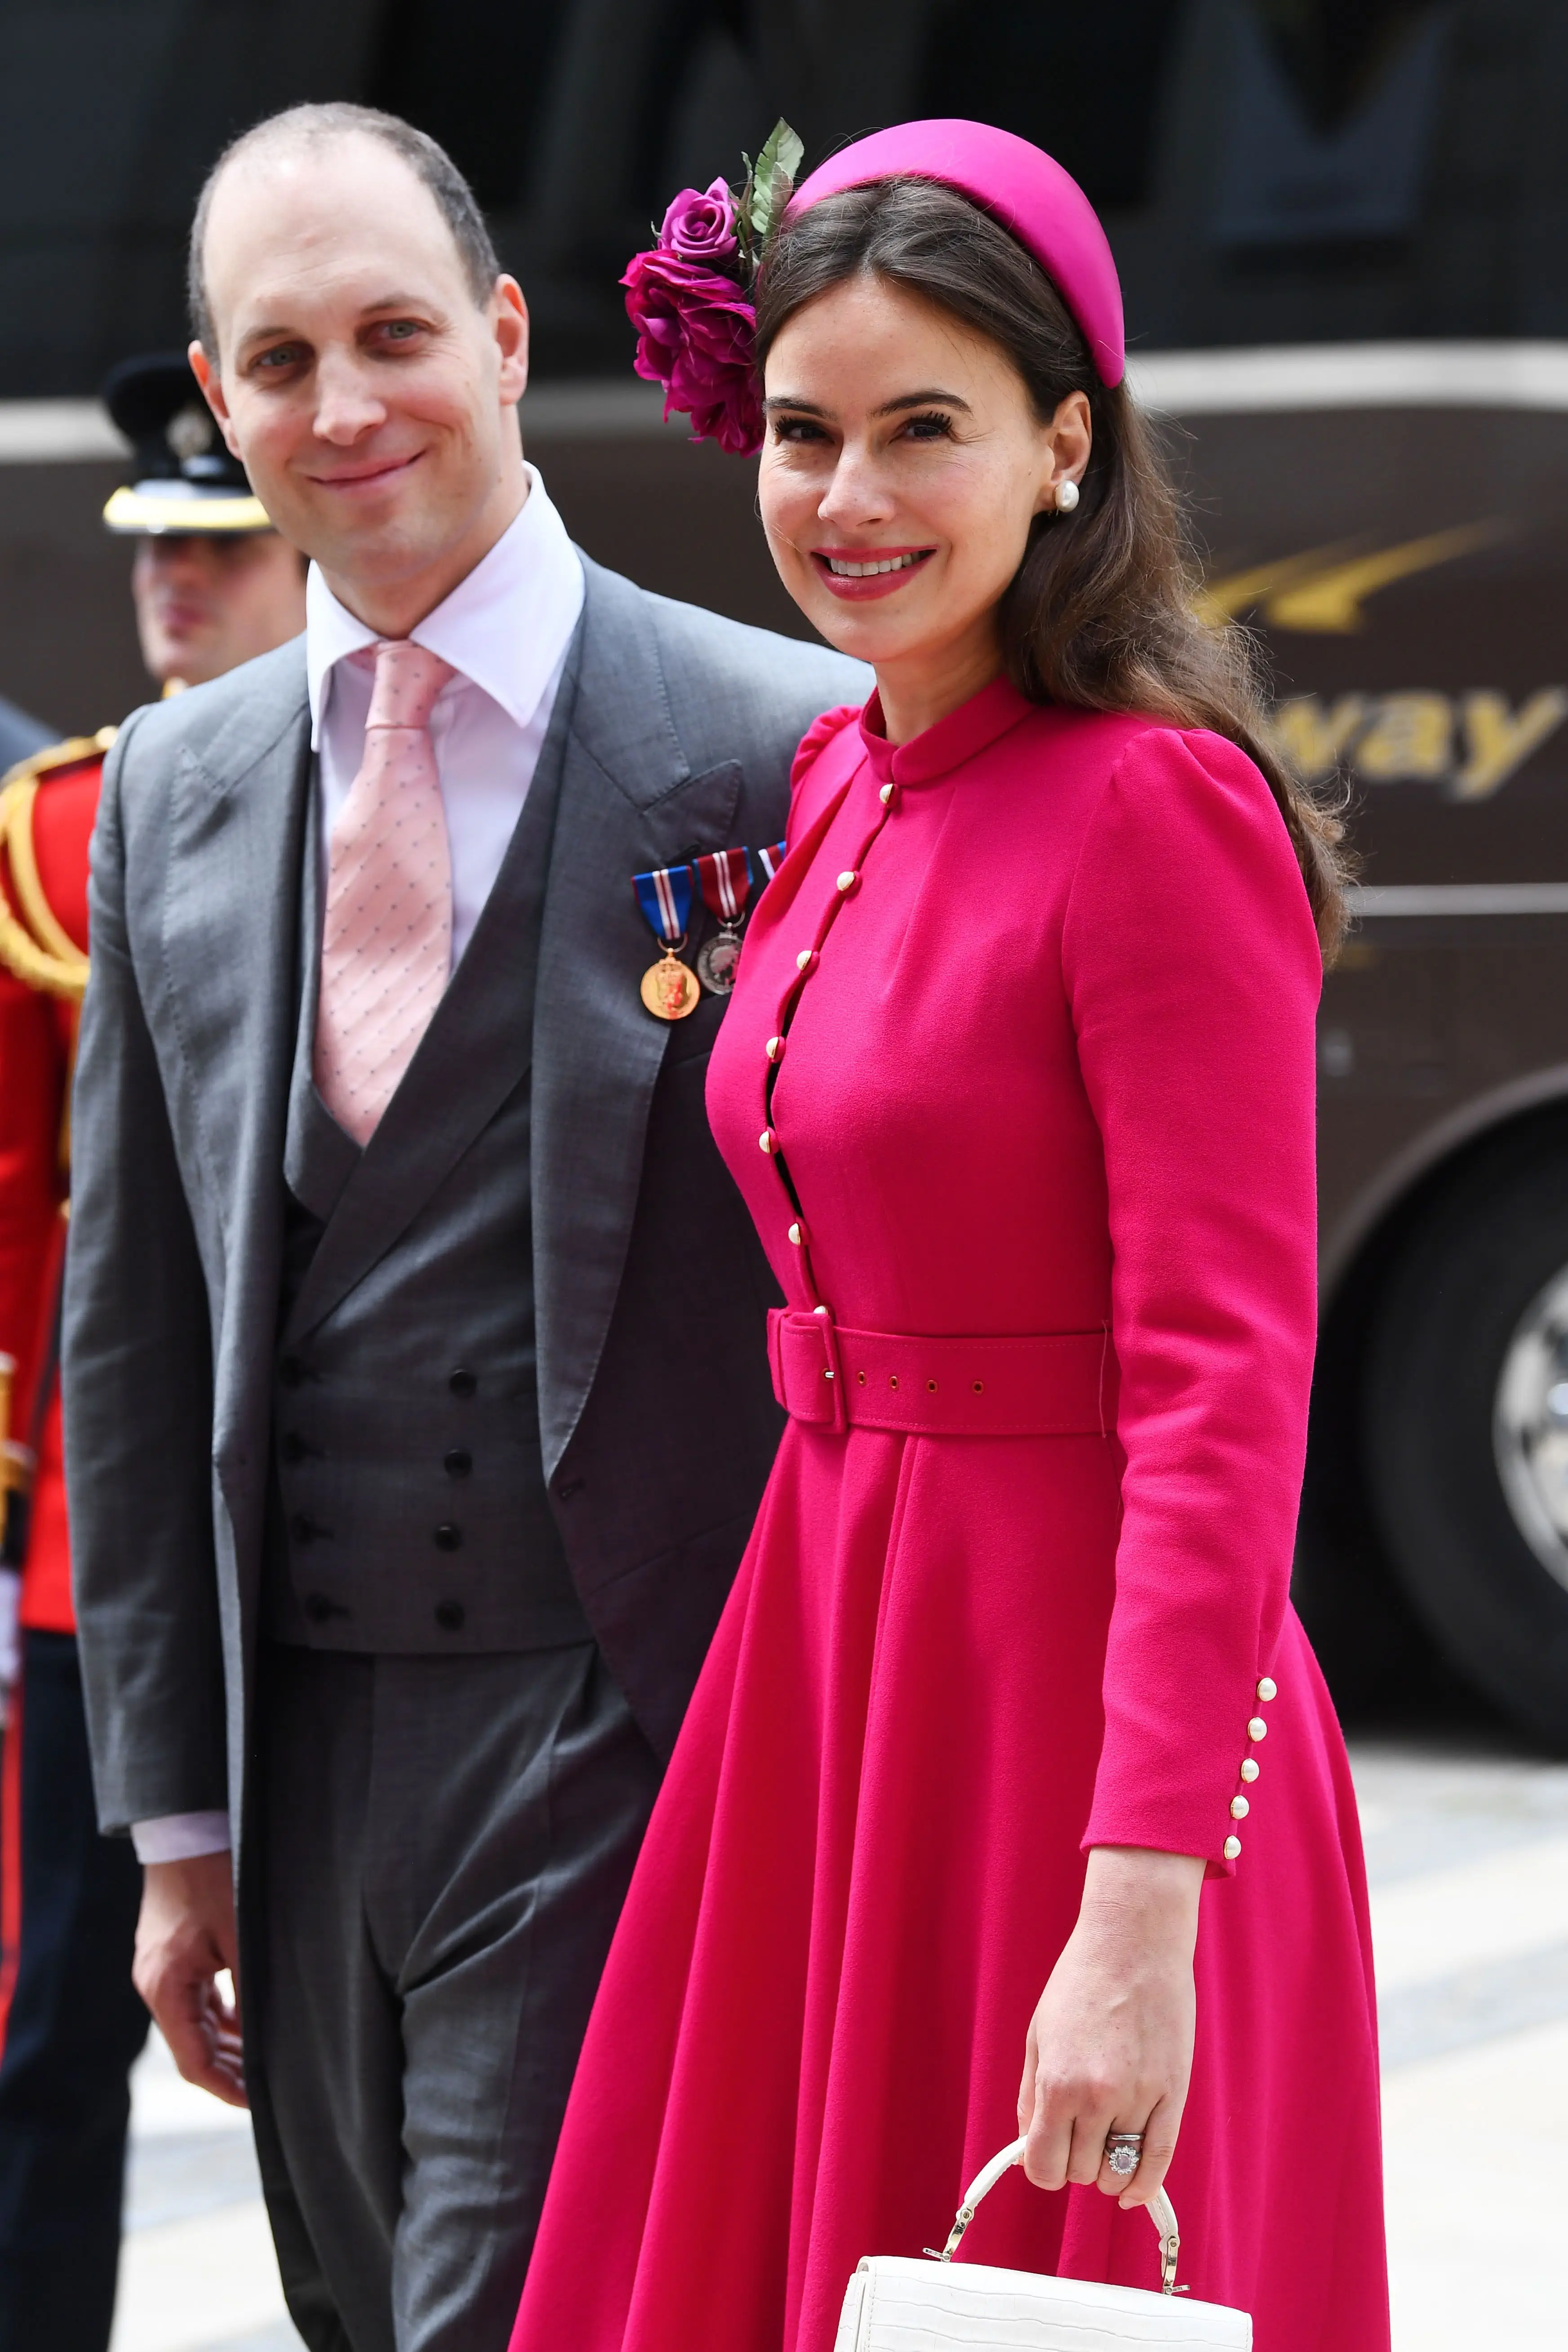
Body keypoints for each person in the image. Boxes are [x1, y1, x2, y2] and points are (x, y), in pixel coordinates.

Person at [511, 121, 1388, 2352]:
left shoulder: (1152, 808)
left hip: (1080, 1726)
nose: (849, 497)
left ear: (1064, 448)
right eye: (802, 432)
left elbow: (1221, 1389)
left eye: (926, 430)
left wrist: (1133, 1913)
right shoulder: (835, 781)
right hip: (826, 1670)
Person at [62, 102, 862, 2352]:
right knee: (356, 2298)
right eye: (283, 358)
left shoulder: (774, 743)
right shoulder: (170, 791)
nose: (345, 407)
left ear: (505, 339)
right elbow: (128, 1338)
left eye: (395, 332)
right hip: (300, 1766)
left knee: (504, 2314)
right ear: (221, 399)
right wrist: (178, 1826)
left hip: (620, 1729)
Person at [0, 351, 306, 2352]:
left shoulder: (396, 787)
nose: (175, 588)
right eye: (155, 555)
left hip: (340, 1521)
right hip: (99, 1551)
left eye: (219, 547)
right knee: (48, 2030)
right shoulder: (56, 824)